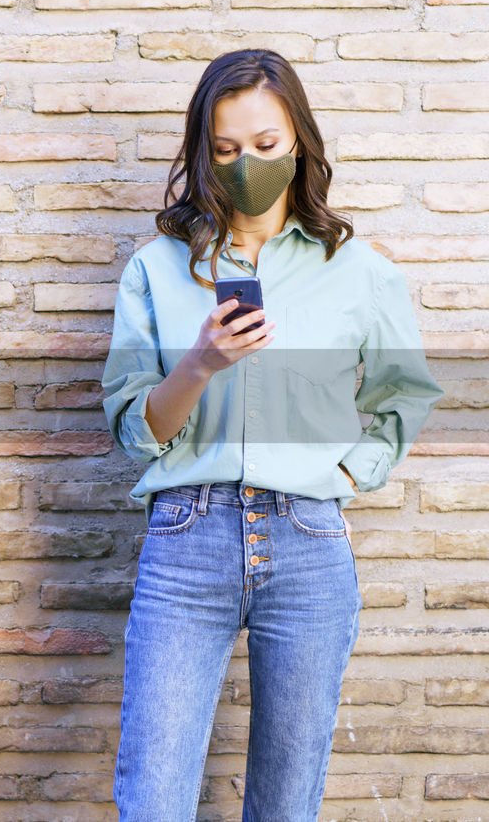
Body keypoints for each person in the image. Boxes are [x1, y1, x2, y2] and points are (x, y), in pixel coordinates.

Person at [101, 49, 441, 820]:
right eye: (224, 150)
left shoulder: (359, 271)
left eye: (264, 145)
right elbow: (131, 427)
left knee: (287, 800)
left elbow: (405, 394)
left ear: (299, 143)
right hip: (187, 538)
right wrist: (199, 363)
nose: (245, 164)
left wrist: (350, 476)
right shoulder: (156, 269)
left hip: (308, 542)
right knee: (153, 793)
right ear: (201, 153)